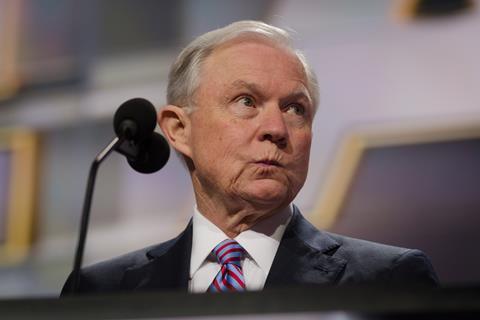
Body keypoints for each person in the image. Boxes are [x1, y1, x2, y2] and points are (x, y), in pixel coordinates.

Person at [61, 20, 438, 295]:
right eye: (246, 102)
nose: (276, 128)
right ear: (178, 129)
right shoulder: (101, 291)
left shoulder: (387, 280)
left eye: (294, 109)